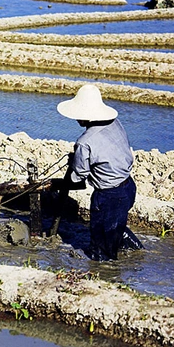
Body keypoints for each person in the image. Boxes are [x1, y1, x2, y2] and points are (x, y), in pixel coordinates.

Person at [56, 84, 143, 261]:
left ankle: (107, 277)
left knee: (100, 250)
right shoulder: (115, 123)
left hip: (108, 196)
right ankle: (140, 255)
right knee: (115, 229)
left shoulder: (84, 142)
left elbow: (79, 175)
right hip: (128, 187)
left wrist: (69, 176)